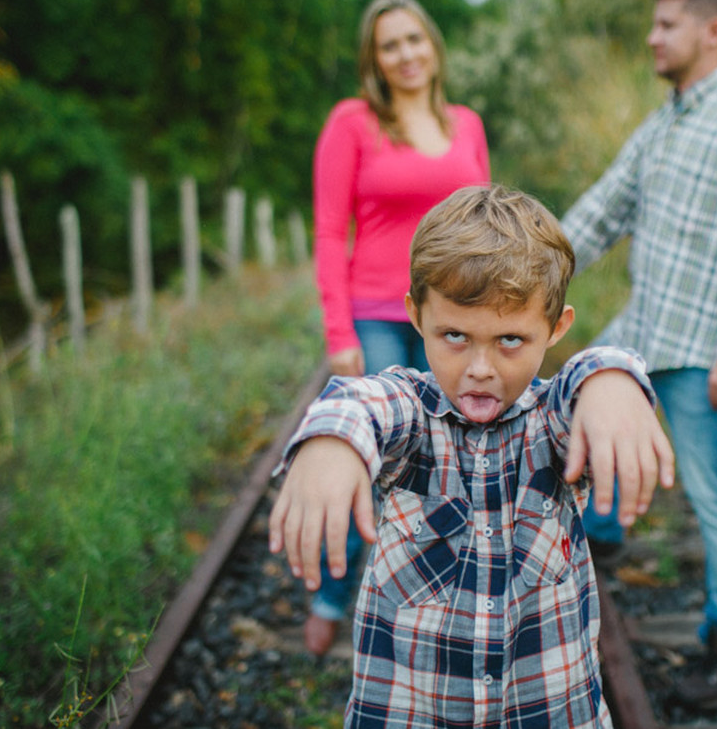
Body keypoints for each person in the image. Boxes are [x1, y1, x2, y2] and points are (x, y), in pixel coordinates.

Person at [269, 184, 675, 727]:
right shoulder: (414, 414)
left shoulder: (553, 424)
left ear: (556, 328)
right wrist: (332, 442)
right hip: (413, 712)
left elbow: (587, 376)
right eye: (455, 335)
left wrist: (611, 381)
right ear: (416, 316)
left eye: (510, 340)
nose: (480, 369)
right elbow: (365, 402)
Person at [559, 0, 717, 710]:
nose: (652, 37)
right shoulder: (663, 122)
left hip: (705, 348)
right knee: (577, 405)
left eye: (667, 25)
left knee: (715, 497)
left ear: (712, 31)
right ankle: (599, 538)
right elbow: (603, 209)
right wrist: (529, 266)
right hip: (645, 329)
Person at [307, 0, 491, 656]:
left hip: (453, 319)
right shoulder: (353, 123)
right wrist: (339, 335)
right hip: (378, 314)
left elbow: (486, 226)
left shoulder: (467, 124)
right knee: (372, 455)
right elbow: (331, 233)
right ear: (374, 60)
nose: (405, 54)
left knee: (450, 459)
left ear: (432, 46)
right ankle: (331, 595)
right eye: (390, 45)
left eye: (414, 39)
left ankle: (430, 605)